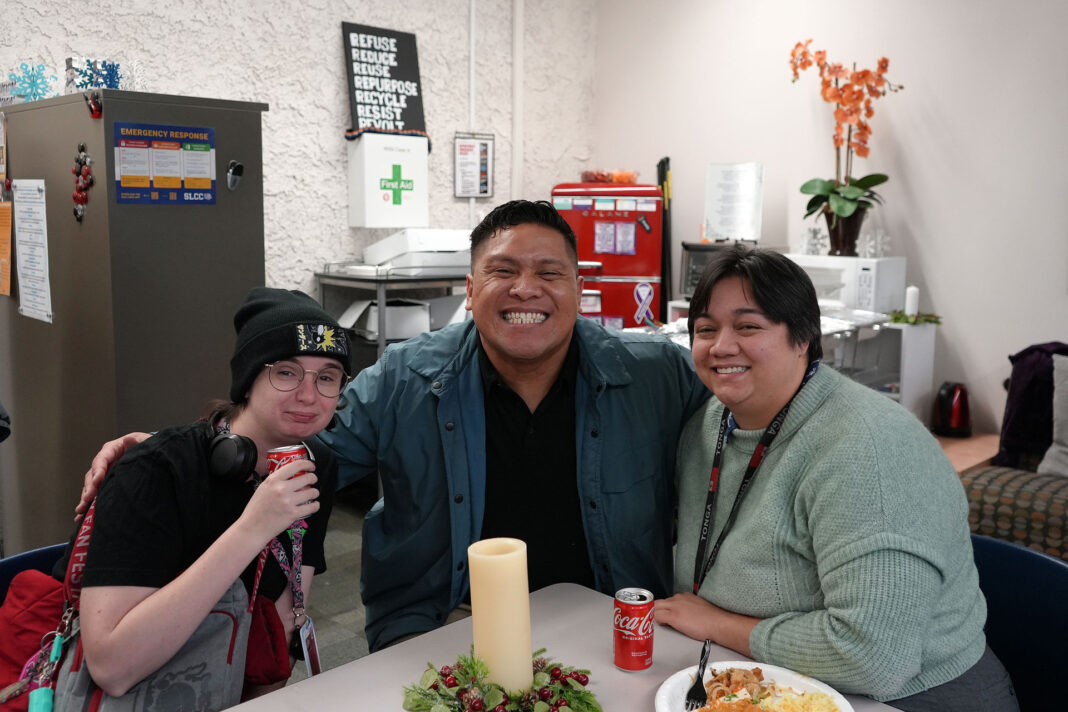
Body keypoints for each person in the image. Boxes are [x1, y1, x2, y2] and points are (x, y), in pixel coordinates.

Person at [81, 200, 710, 653]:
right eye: (502, 271)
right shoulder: (407, 377)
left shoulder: (655, 375)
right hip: (443, 622)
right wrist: (181, 453)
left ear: (579, 290)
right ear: (470, 287)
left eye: (549, 273)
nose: (527, 289)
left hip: (612, 621)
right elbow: (304, 446)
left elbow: (742, 438)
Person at [653, 245, 1017, 711]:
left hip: (910, 695)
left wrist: (716, 624)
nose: (721, 346)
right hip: (759, 678)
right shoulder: (710, 424)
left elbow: (875, 659)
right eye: (705, 329)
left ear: (803, 337)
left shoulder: (870, 449)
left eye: (748, 326)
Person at [56, 288, 349, 706]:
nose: (308, 395)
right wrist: (253, 527)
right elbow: (112, 669)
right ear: (248, 380)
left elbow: (279, 628)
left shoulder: (315, 461)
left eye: (327, 377)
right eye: (285, 372)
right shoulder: (155, 469)